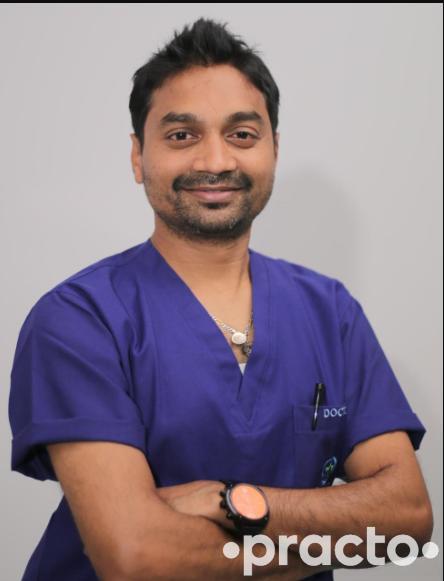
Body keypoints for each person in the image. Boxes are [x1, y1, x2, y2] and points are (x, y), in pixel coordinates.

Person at [8, 17, 433, 581]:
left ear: (274, 149)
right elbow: (137, 558)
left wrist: (229, 500)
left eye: (242, 135)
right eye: (182, 136)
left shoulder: (331, 312)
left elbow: (408, 519)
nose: (215, 161)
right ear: (138, 156)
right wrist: (330, 535)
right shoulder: (78, 320)